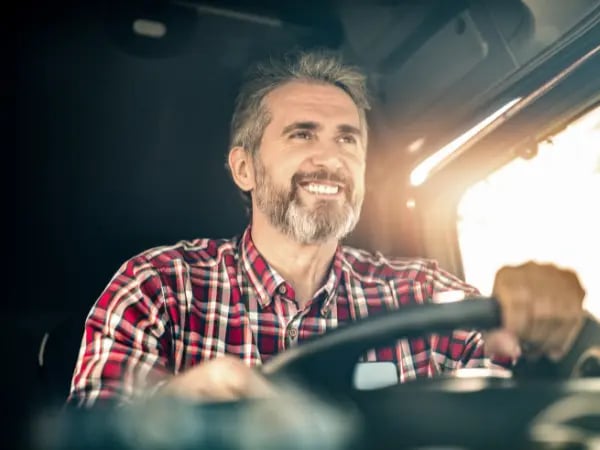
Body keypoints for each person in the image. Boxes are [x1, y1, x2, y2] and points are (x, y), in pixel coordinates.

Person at [67, 50, 586, 407]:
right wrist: (178, 410)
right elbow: (97, 426)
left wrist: (537, 324)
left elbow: (512, 378)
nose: (330, 159)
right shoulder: (159, 285)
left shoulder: (421, 291)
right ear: (244, 168)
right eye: (301, 134)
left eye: (347, 140)